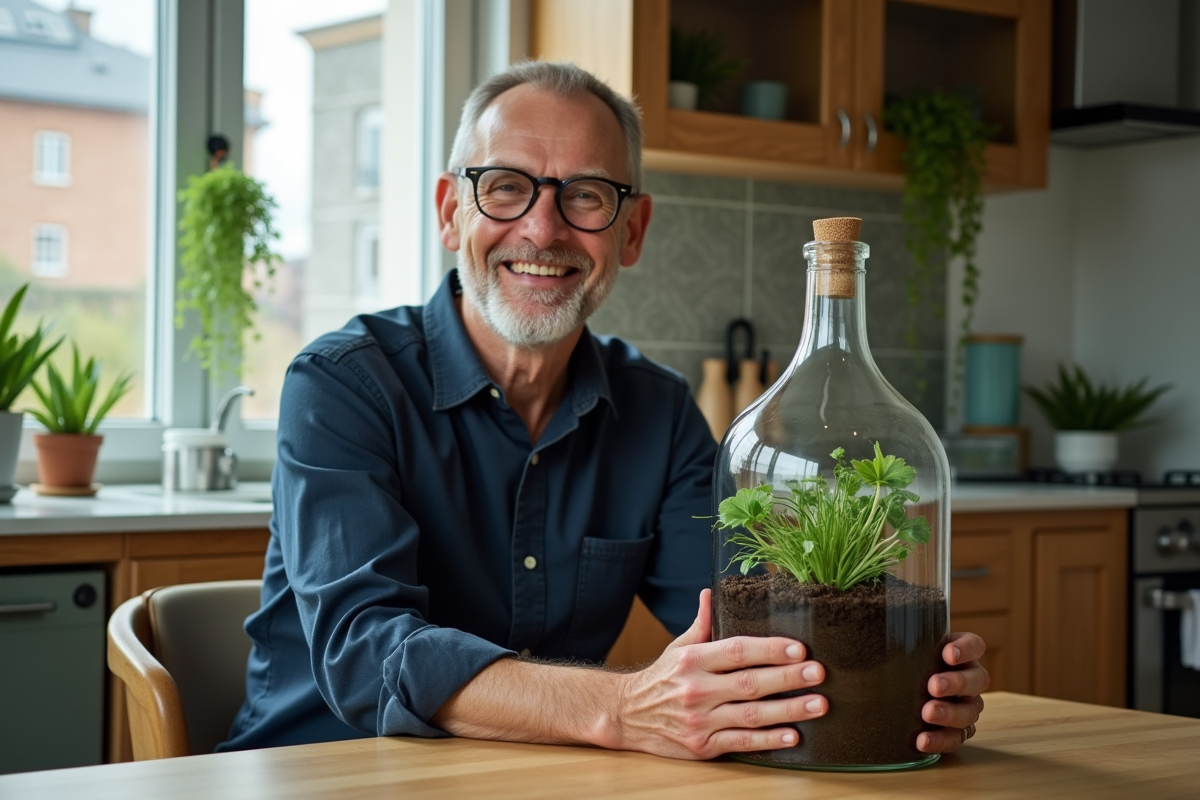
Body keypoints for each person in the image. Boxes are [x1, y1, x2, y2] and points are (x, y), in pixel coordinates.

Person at [219, 61, 986, 759]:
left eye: (586, 195)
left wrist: (899, 679)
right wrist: (621, 707)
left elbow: (753, 617)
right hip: (318, 770)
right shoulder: (343, 384)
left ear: (632, 230)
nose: (544, 229)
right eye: (506, 186)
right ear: (452, 211)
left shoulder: (657, 410)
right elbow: (363, 651)